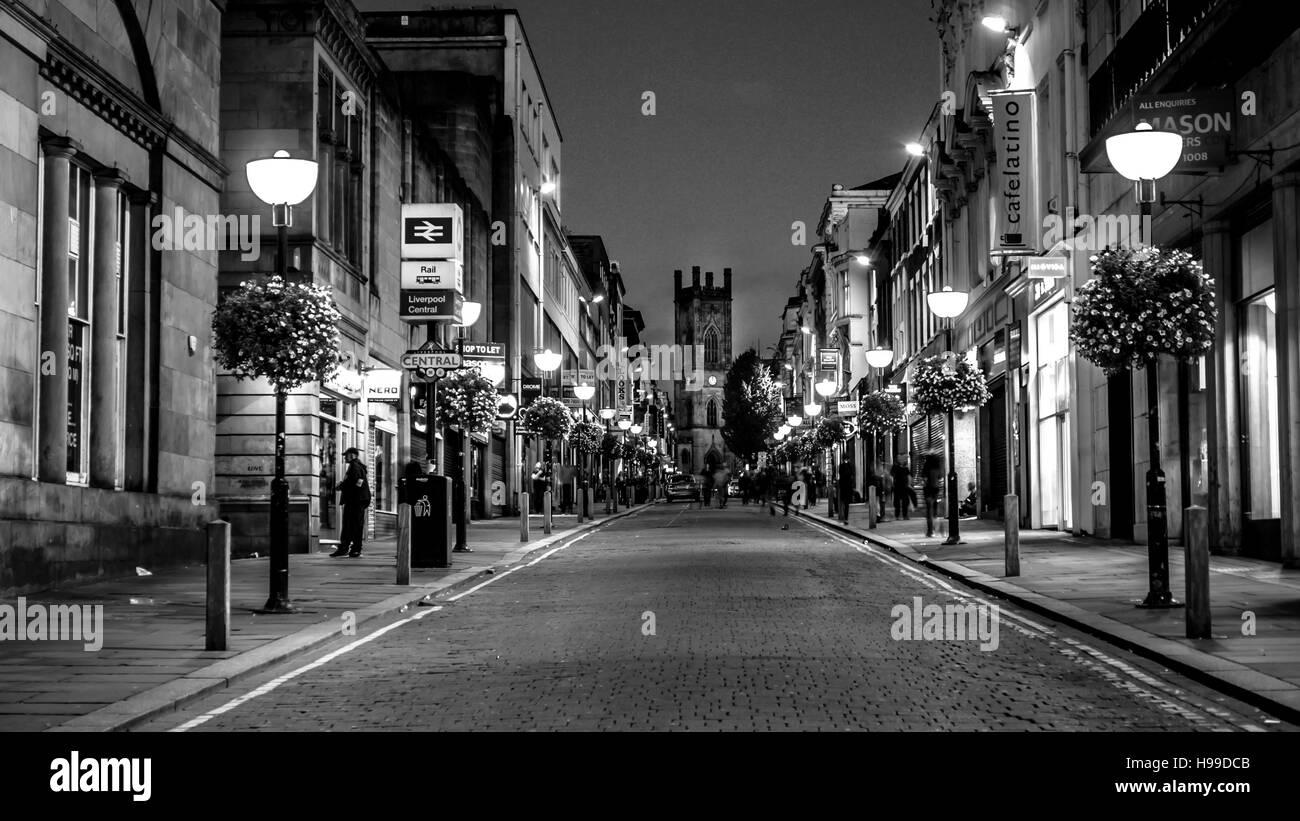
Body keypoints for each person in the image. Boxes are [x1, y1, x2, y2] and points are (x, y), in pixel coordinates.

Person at [332, 447, 371, 557]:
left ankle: (349, 548)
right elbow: (357, 481)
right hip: (358, 500)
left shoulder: (354, 466)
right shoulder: (357, 466)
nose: (344, 457)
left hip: (355, 500)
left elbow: (356, 481)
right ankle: (353, 549)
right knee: (354, 525)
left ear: (353, 455)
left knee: (350, 524)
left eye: (346, 455)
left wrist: (342, 486)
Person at [922, 453, 943, 538]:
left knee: (929, 511)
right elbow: (940, 477)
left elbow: (924, 479)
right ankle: (938, 528)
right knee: (934, 511)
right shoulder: (938, 468)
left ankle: (930, 531)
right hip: (936, 490)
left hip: (928, 490)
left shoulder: (926, 468)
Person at [837, 456, 855, 525]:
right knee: (846, 503)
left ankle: (845, 517)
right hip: (847, 487)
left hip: (844, 487)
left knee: (844, 503)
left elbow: (840, 474)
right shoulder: (849, 466)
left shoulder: (842, 466)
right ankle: (845, 518)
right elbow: (852, 475)